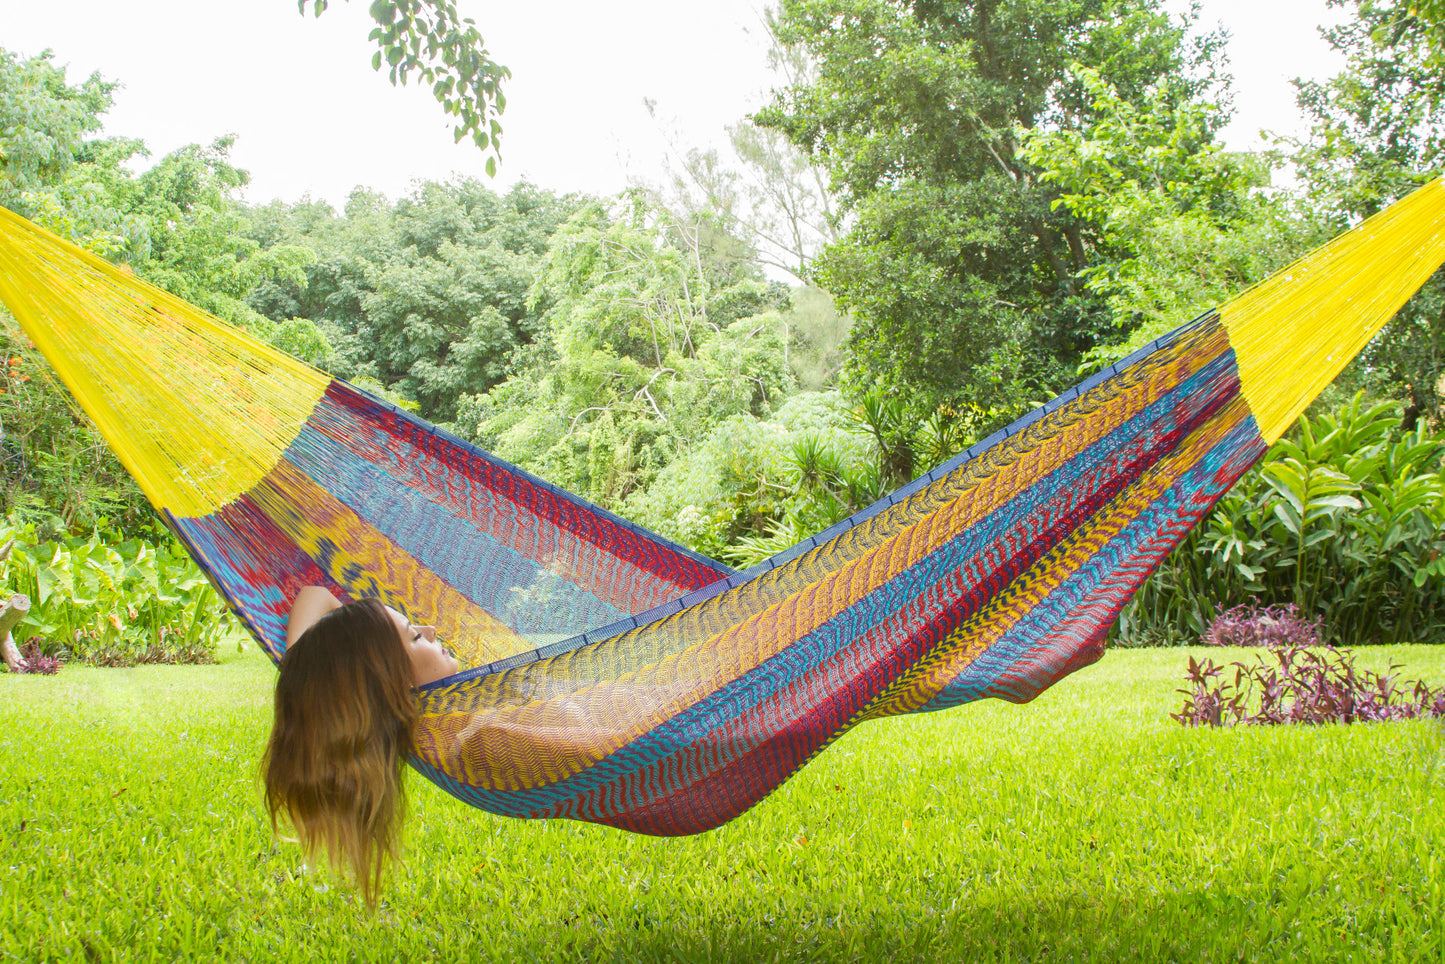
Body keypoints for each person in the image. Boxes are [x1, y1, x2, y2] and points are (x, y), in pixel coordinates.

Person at [260, 587, 458, 904]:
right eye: (416, 637)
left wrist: (313, 676)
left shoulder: (343, 687)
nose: (431, 630)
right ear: (394, 680)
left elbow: (316, 595)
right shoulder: (471, 734)